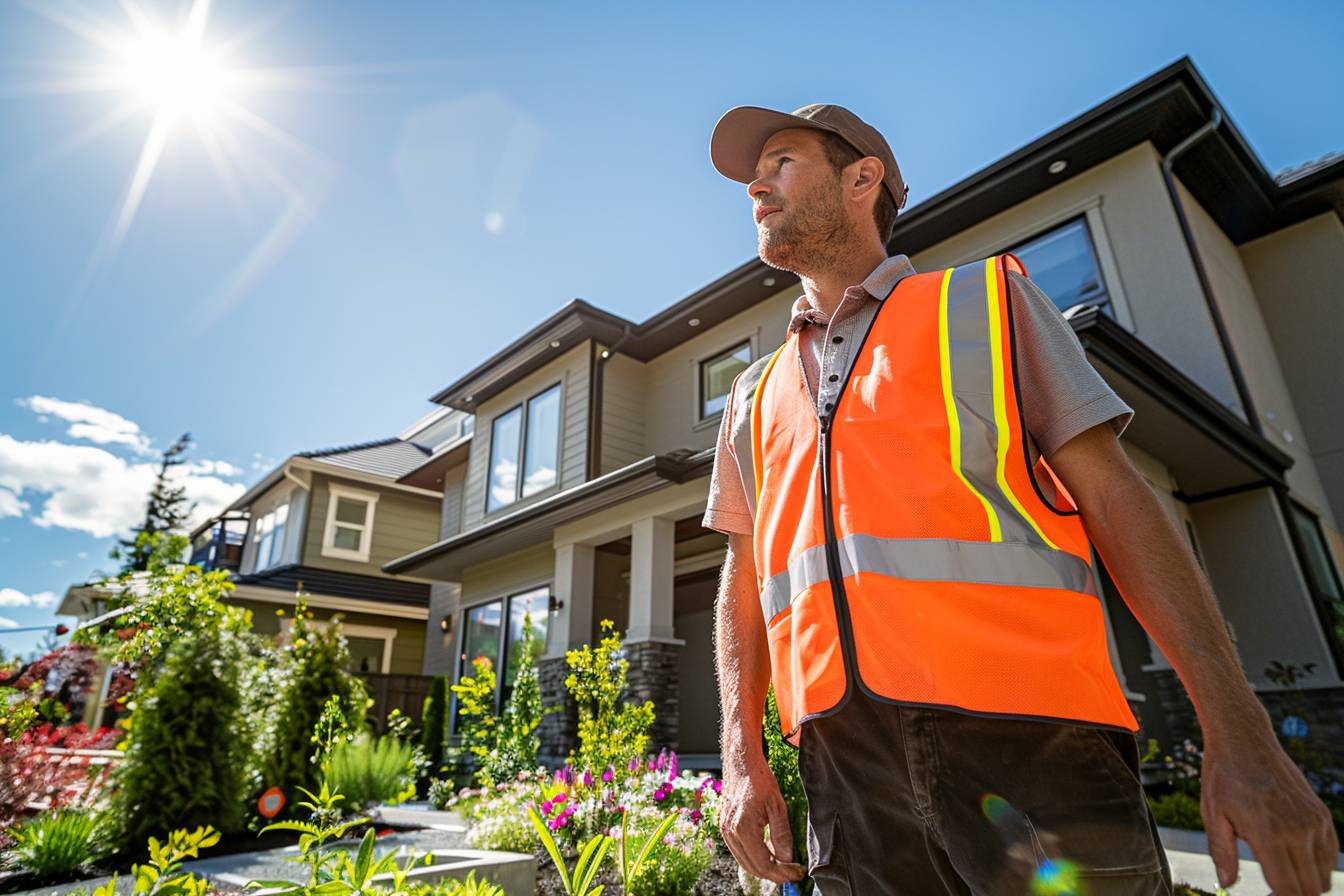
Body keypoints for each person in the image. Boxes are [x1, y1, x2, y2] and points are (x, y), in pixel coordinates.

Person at [702, 103, 1338, 896]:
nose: (756, 185)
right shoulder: (751, 395)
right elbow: (745, 578)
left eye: (782, 161)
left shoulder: (986, 305)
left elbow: (1118, 500)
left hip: (1037, 750)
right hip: (847, 772)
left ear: (862, 177)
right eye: (753, 174)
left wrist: (1237, 728)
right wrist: (740, 752)